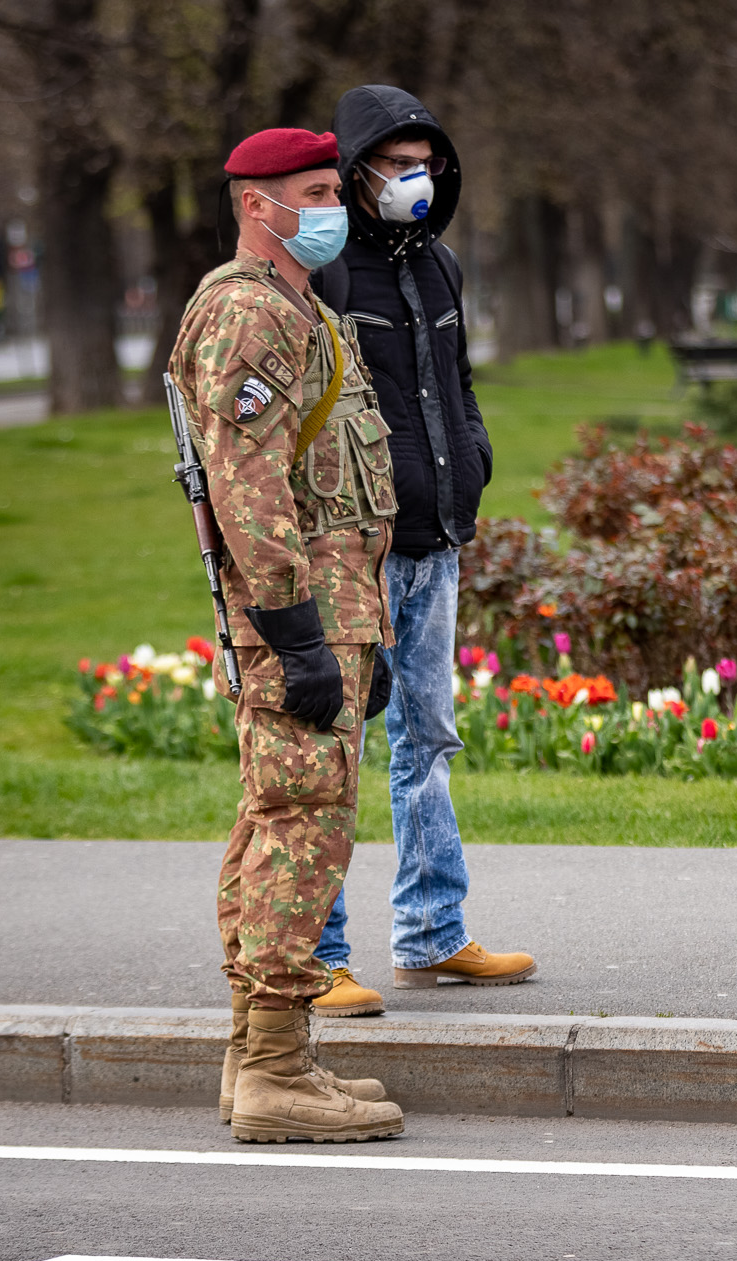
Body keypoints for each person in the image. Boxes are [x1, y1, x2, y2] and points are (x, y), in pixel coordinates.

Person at [168, 126, 405, 1142]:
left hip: (329, 608)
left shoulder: (297, 308)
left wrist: (364, 631)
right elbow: (247, 486)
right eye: (312, 191)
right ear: (257, 205)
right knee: (303, 827)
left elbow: (337, 481)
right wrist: (298, 635)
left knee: (281, 818)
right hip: (293, 615)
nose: (332, 209)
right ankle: (274, 1067)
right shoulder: (247, 314)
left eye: (333, 190)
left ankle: (254, 1059)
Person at [304, 83, 536, 1013]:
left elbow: (459, 383)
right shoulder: (325, 276)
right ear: (357, 174)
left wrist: (474, 462)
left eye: (428, 164)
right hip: (352, 551)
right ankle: (316, 954)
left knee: (428, 738)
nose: (417, 180)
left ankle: (433, 933)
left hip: (437, 538)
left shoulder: (440, 268)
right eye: (398, 167)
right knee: (331, 748)